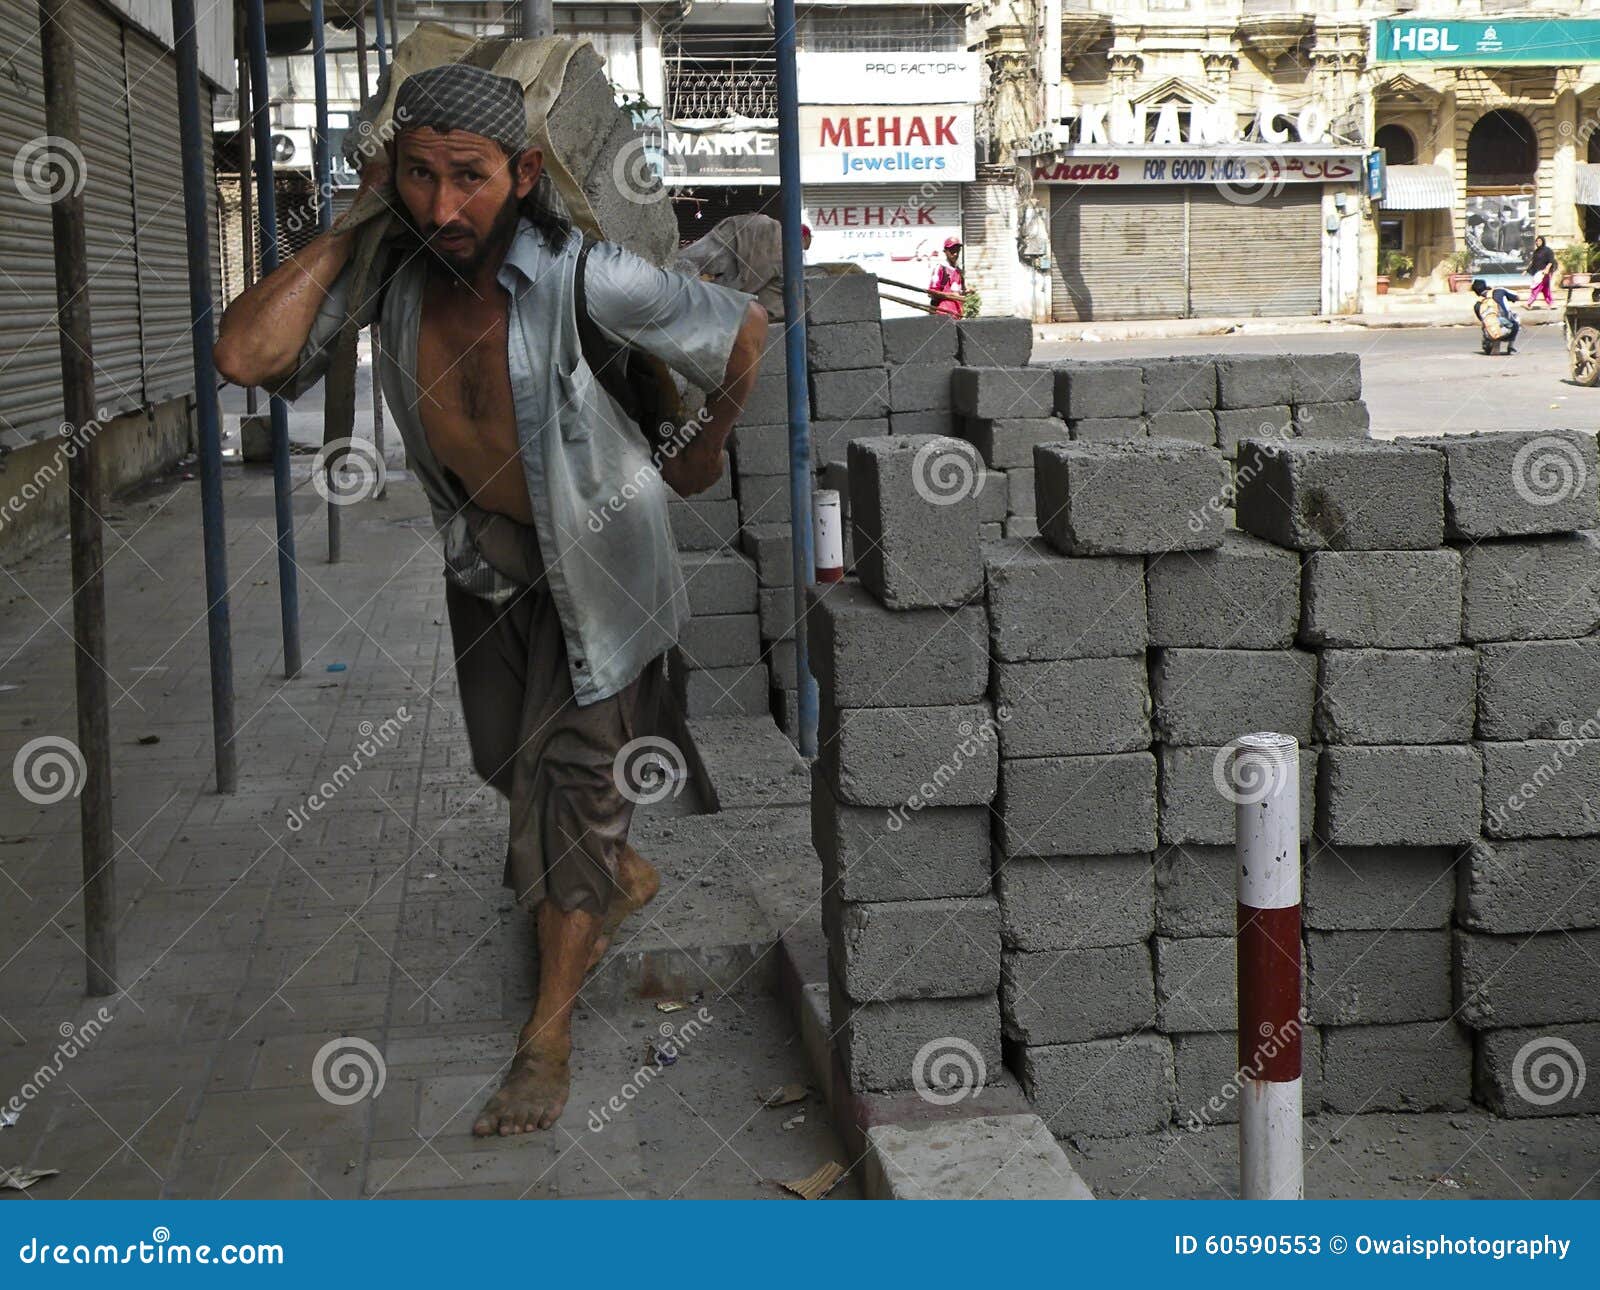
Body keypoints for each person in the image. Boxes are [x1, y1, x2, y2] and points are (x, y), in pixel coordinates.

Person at [212, 64, 768, 1137]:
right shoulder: (394, 276)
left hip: (600, 566)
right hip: (488, 562)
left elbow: (741, 328)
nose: (443, 206)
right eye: (416, 177)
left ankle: (546, 1038)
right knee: (502, 766)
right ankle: (617, 870)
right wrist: (356, 222)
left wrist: (701, 445)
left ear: (520, 174)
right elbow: (247, 353)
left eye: (468, 177)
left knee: (570, 791)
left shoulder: (586, 277)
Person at [1471, 277, 1521, 353]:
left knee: (1486, 323)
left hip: (1491, 333)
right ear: (1486, 286)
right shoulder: (1499, 291)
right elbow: (1517, 297)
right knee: (1516, 317)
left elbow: (1482, 320)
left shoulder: (1477, 305)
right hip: (1510, 331)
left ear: (1476, 292)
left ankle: (1492, 345)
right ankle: (1510, 347)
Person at [929, 235, 965, 318]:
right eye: (952, 251)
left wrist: (965, 292)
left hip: (957, 315)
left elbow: (959, 292)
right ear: (945, 251)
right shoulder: (940, 268)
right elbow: (931, 293)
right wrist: (951, 295)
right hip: (942, 316)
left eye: (957, 251)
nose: (955, 254)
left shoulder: (959, 271)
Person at [1527, 235, 1556, 308]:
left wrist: (1547, 269)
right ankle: (1551, 303)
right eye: (1536, 241)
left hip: (1545, 272)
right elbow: (1533, 262)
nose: (1537, 242)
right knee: (1545, 289)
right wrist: (1527, 270)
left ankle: (1529, 302)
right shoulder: (1536, 252)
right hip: (1538, 272)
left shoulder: (1548, 250)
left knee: (1537, 287)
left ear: (1543, 241)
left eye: (1539, 241)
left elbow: (1551, 261)